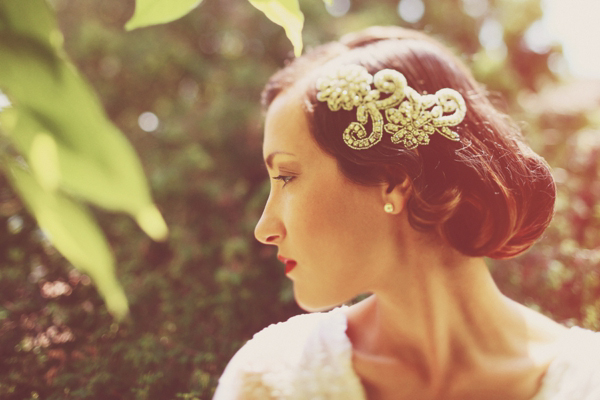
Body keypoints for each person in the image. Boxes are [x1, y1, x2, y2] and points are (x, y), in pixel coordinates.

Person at [213, 26, 600, 400]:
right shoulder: (270, 380)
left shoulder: (588, 381)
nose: (264, 228)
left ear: (393, 180)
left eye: (286, 176)